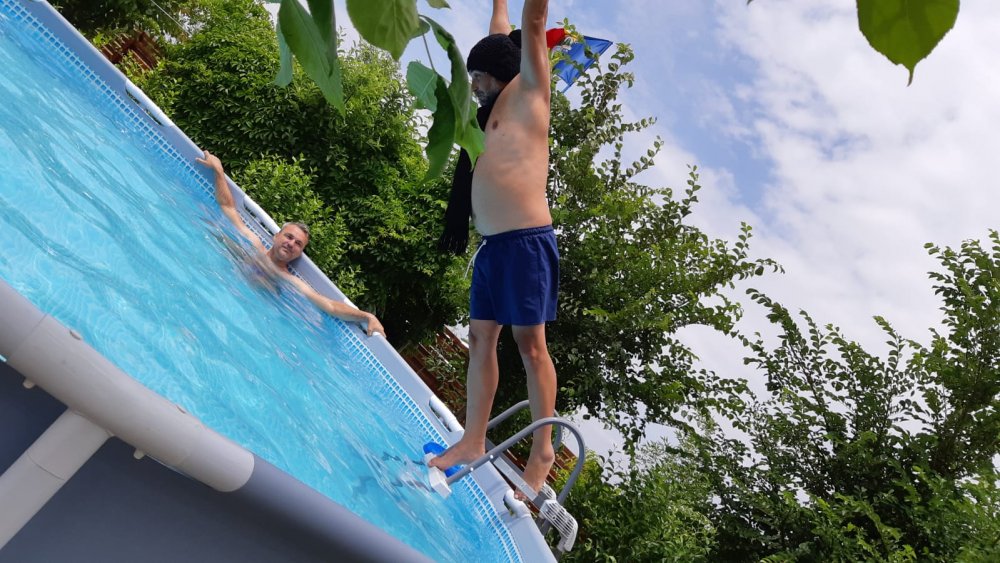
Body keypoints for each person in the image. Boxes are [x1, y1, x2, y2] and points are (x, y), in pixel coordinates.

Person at [430, 0, 558, 496]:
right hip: (493, 246)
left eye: (479, 76)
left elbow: (532, 22)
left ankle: (543, 451)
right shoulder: (490, 110)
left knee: (530, 345)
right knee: (480, 337)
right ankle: (472, 439)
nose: (475, 85)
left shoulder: (530, 92)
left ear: (500, 72)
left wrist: (524, 15)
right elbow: (501, 29)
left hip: (526, 243)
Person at [196, 150, 385, 337]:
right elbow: (228, 207)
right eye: (288, 237)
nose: (291, 243)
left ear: (299, 253)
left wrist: (367, 316)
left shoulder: (288, 279)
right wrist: (218, 171)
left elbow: (330, 306)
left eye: (298, 243)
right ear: (276, 236)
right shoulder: (252, 242)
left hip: (247, 310)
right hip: (221, 284)